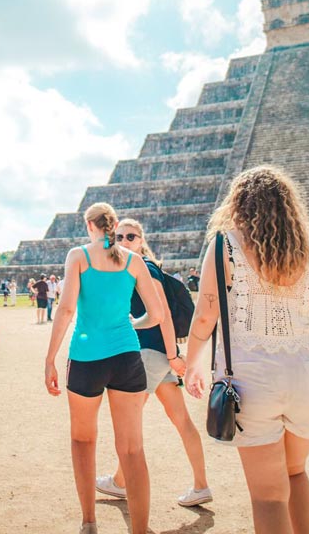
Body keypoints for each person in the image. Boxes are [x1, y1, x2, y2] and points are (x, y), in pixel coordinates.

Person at [184, 166, 309, 534]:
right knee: (296, 473)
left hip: (252, 382)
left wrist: (192, 365)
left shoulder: (224, 244)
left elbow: (205, 316)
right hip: (305, 378)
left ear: (239, 203)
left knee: (267, 497)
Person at [45, 203, 164, 534]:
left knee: (83, 440)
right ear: (112, 226)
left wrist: (49, 358)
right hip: (127, 357)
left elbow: (67, 308)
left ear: (89, 225)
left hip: (86, 357)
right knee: (132, 449)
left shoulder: (79, 256)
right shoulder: (133, 260)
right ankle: (139, 529)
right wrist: (131, 325)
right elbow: (156, 315)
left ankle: (89, 522)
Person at [94, 218, 211, 508]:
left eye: (131, 236)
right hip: (158, 356)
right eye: (118, 236)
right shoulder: (134, 268)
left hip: (149, 354)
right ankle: (200, 485)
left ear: (141, 240)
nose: (123, 240)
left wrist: (173, 356)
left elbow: (162, 315)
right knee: (180, 420)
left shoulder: (143, 267)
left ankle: (122, 483)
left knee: (128, 424)